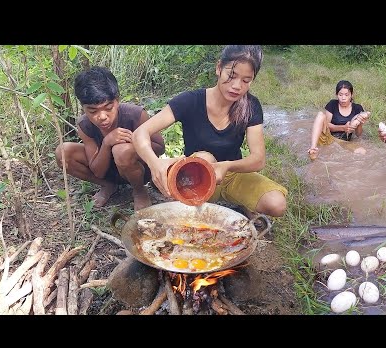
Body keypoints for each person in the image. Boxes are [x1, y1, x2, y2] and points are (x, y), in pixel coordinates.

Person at [132, 45, 287, 218]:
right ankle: (197, 201)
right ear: (219, 68)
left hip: (232, 174)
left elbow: (258, 160)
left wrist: (225, 166)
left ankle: (241, 201)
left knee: (277, 204)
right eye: (232, 75)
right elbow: (140, 133)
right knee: (204, 159)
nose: (237, 86)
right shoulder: (190, 101)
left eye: (246, 80)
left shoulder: (251, 106)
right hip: (196, 177)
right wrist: (154, 163)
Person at [55, 66, 165, 211]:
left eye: (108, 108)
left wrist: (135, 144)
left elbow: (160, 148)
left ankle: (139, 191)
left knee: (122, 150)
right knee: (63, 152)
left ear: (117, 100)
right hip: (107, 171)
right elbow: (97, 171)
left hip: (139, 170)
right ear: (83, 108)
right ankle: (108, 185)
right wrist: (107, 143)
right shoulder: (85, 125)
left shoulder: (135, 115)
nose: (102, 117)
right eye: (93, 111)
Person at [307, 80, 370, 160]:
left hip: (343, 141)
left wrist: (360, 123)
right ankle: (313, 149)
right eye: (340, 95)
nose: (343, 98)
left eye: (347, 95)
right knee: (320, 115)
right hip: (328, 137)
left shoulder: (357, 108)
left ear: (352, 95)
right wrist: (343, 128)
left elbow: (358, 134)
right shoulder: (332, 104)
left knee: (362, 151)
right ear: (336, 95)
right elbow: (327, 125)